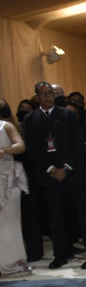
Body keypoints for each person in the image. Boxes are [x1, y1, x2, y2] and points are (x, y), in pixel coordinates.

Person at [21, 81, 86, 269]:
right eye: (44, 94)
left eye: (50, 93)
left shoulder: (67, 114)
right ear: (37, 97)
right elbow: (32, 150)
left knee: (83, 215)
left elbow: (78, 143)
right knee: (55, 218)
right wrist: (51, 169)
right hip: (49, 176)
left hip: (73, 173)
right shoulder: (30, 120)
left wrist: (65, 168)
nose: (48, 97)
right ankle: (60, 254)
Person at [0, 114, 30, 275]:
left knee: (9, 224)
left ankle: (11, 263)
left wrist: (4, 150)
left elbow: (20, 146)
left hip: (7, 179)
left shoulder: (6, 126)